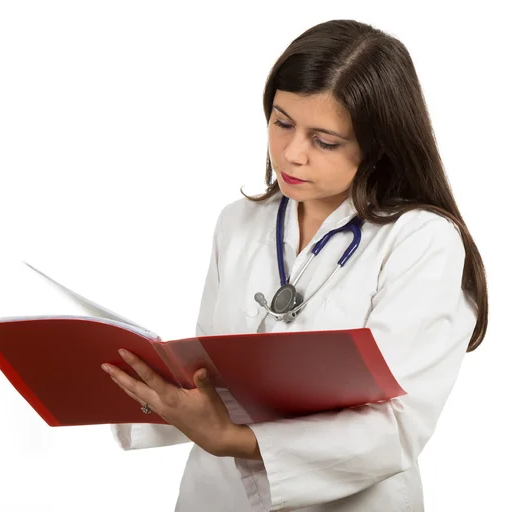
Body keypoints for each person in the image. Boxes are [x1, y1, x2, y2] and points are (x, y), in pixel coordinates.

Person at [100, 19, 488, 512]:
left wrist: (235, 439)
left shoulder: (421, 242)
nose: (291, 153)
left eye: (324, 141)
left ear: (379, 146)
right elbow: (205, 377)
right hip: (215, 497)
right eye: (282, 122)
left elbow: (397, 427)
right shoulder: (239, 222)